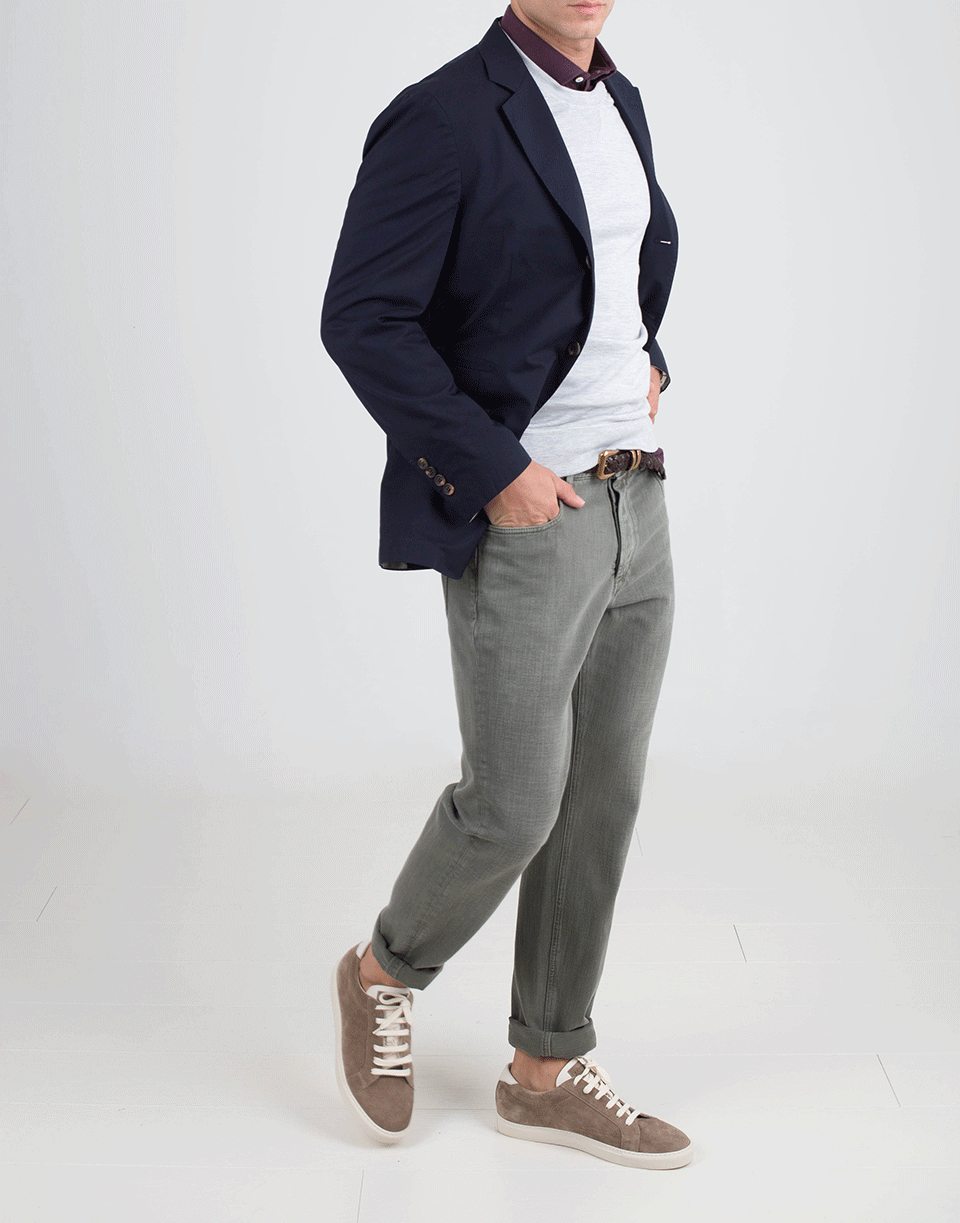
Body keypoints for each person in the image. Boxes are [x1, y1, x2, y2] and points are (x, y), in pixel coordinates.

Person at [321, 0, 692, 1169]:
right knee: (516, 802)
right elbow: (363, 319)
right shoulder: (441, 116)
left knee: (602, 798)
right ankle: (383, 969)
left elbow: (609, 272)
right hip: (534, 511)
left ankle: (544, 1067)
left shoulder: (619, 98)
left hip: (638, 497)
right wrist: (494, 471)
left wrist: (649, 361)